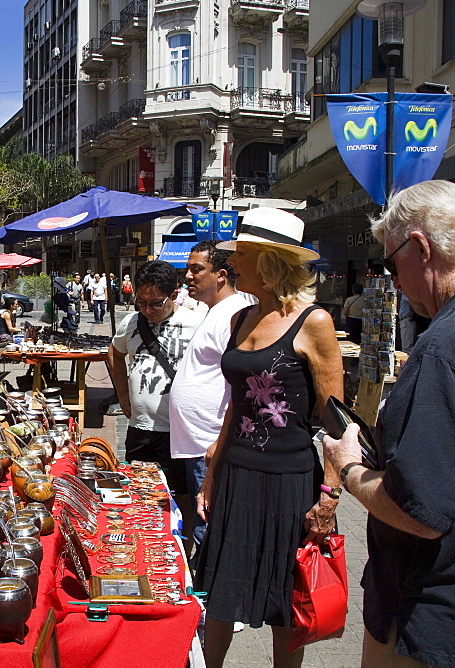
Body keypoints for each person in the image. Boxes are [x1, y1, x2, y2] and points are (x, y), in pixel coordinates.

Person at [322, 180, 455, 667]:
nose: (392, 279)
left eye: (390, 263)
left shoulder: (448, 347)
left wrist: (350, 469)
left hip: (431, 623)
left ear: (419, 247)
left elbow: (419, 512)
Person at [192, 208, 343, 667]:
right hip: (236, 474)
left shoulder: (313, 322)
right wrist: (211, 476)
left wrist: (330, 497)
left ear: (272, 259)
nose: (233, 261)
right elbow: (235, 406)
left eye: (245, 253)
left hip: (288, 482)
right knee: (220, 590)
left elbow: (337, 422)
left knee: (285, 599)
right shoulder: (241, 317)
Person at [168, 241, 252, 551]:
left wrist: (220, 441)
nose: (187, 276)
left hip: (209, 444)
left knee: (208, 526)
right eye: (187, 269)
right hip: (198, 444)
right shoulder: (215, 312)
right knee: (202, 521)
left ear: (221, 275)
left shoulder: (234, 314)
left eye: (196, 269)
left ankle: (206, 593)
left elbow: (242, 384)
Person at [107, 261, 204, 494]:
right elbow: (115, 353)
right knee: (139, 493)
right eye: (141, 303)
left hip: (178, 432)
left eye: (156, 303)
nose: (148, 310)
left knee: (180, 496)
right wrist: (122, 394)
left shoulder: (198, 324)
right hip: (140, 427)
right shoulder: (130, 323)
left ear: (174, 294)